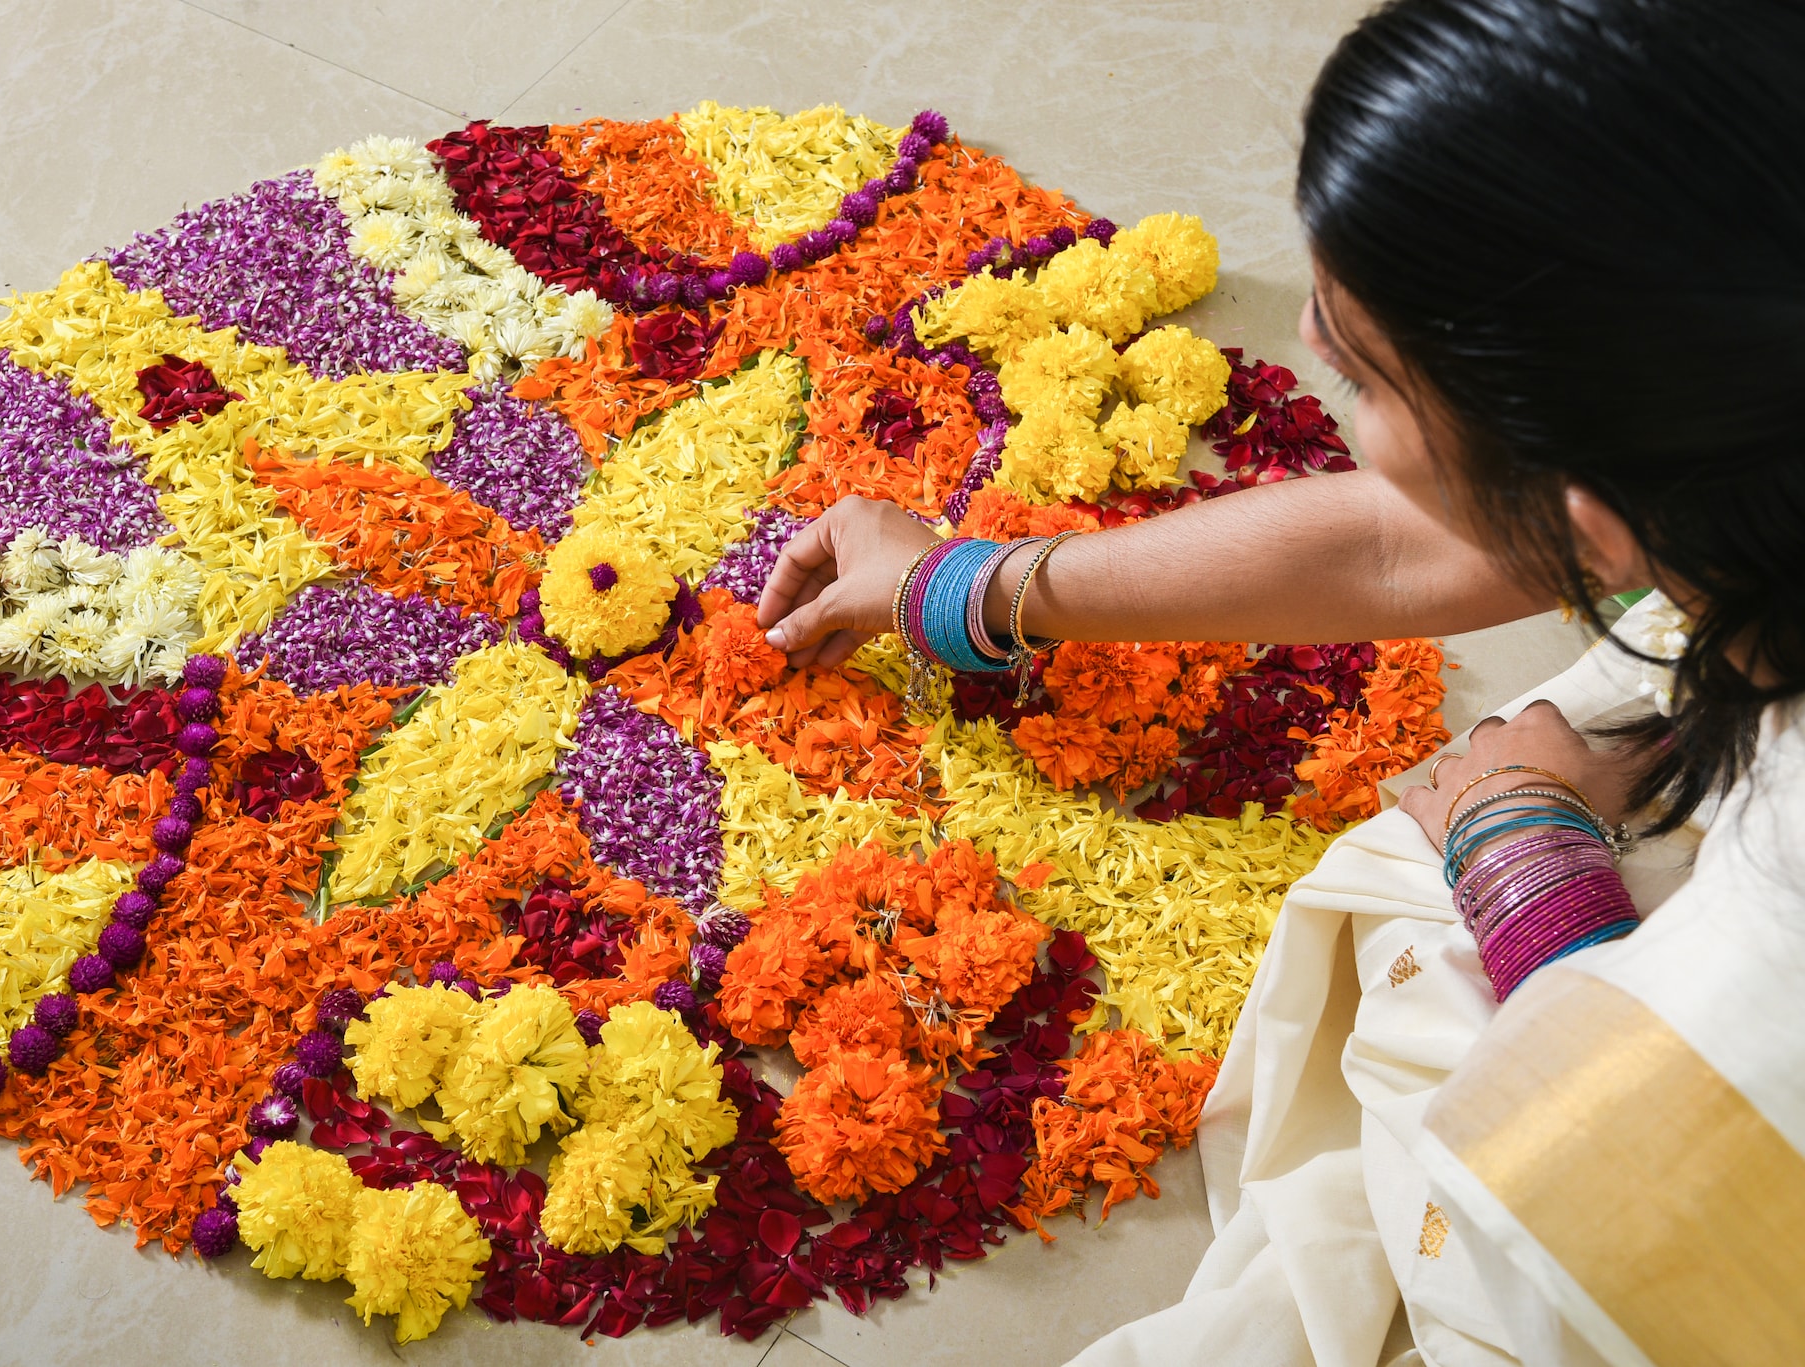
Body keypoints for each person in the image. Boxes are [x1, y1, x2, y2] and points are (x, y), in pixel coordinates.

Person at [754, 0, 1805, 1362]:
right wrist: (965, 590)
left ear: (1598, 519)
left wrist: (1521, 841)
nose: (1307, 336)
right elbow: (1403, 541)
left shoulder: (1762, 952)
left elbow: (1611, 1223)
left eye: (1363, 371)